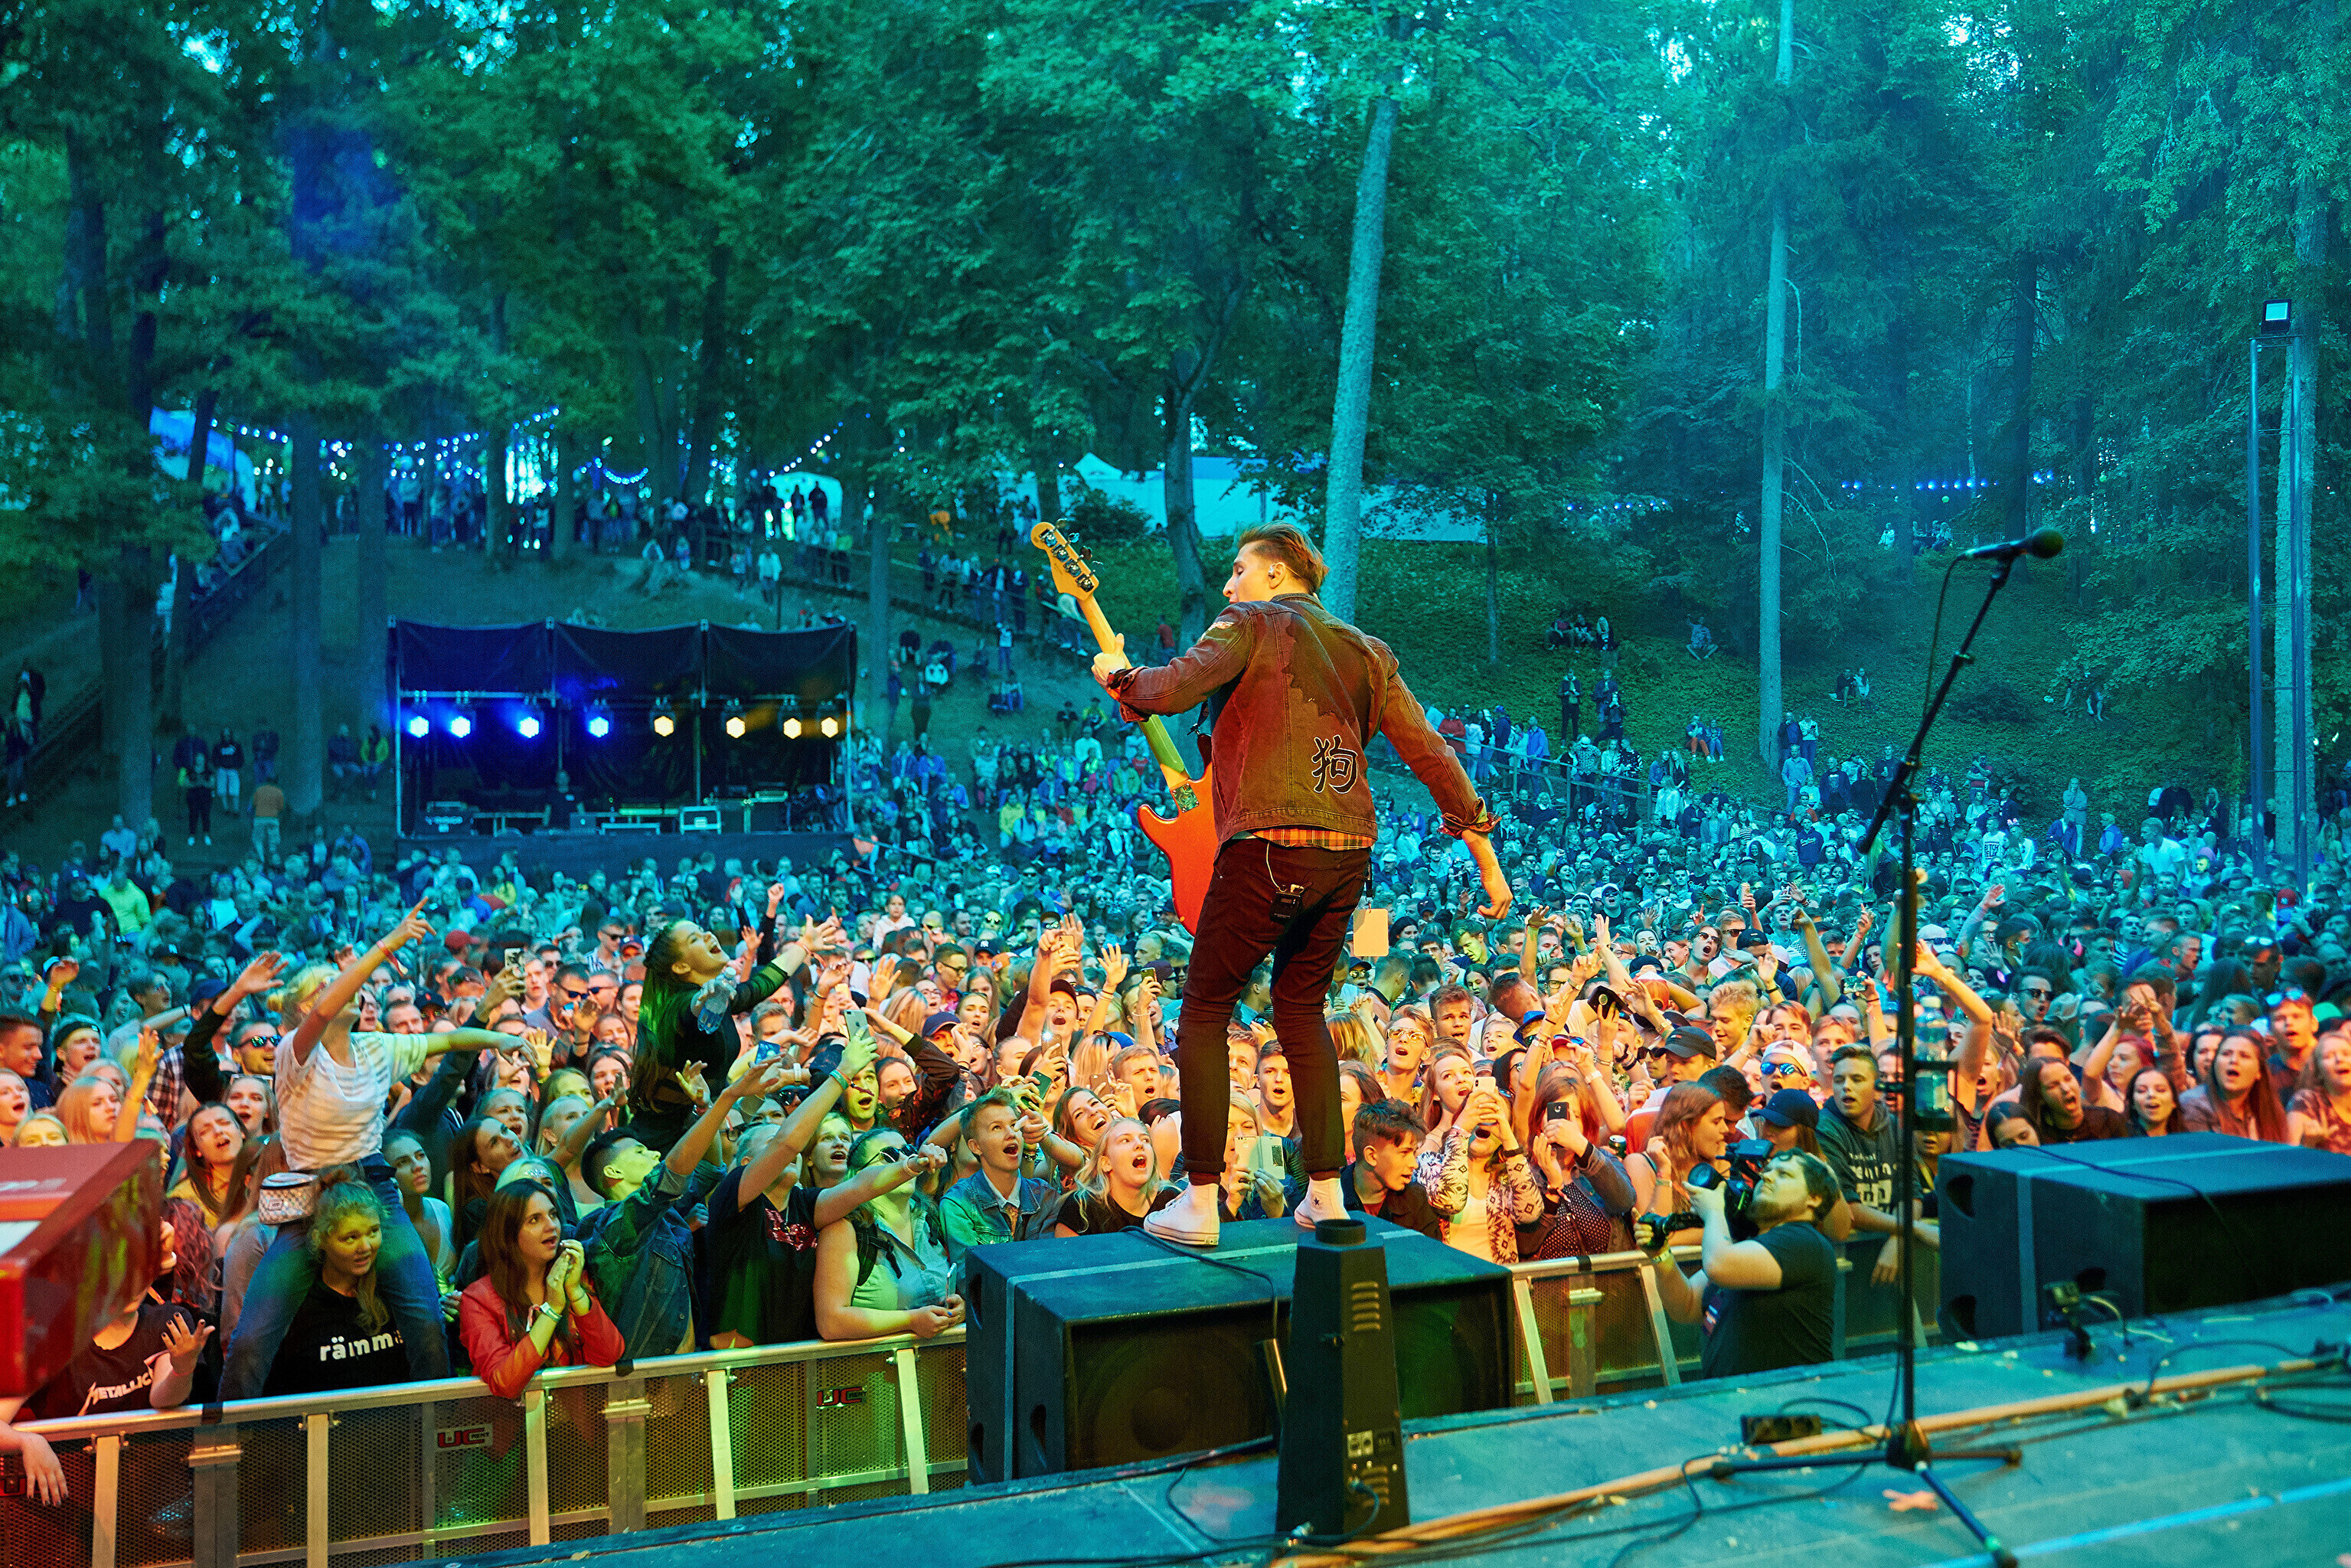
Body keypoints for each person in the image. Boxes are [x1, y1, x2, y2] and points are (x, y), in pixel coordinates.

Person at [1089, 523, 1512, 1246]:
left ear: (1277, 574)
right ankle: (1325, 1195)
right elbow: (1429, 751)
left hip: (1266, 844)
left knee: (1203, 1011)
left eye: (1238, 569)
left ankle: (1199, 1200)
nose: (1228, 584)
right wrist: (1483, 848)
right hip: (1345, 854)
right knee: (1301, 1013)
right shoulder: (1369, 652)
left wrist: (1119, 677)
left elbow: (1174, 686)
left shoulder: (1251, 621)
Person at [1649, 1150, 1852, 1378]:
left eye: (1784, 1174)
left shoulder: (1806, 1242)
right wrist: (1661, 1255)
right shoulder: (1748, 1244)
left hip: (1787, 1398)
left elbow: (1718, 1265)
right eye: (1767, 1171)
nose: (1767, 1177)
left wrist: (1714, 1211)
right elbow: (1685, 1306)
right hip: (1732, 1397)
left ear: (1814, 1198)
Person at [459, 1182, 625, 1400]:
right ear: (508, 1233)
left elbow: (609, 1355)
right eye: (534, 1220)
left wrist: (575, 1292)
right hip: (509, 1418)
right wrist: (553, 1311)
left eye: (553, 1214)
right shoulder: (478, 1299)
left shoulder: (571, 1276)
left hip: (576, 1417)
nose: (551, 1226)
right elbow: (504, 1382)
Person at [258, 1171, 410, 1396]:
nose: (366, 1247)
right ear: (319, 1239)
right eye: (351, 1237)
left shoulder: (397, 1291)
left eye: (373, 1232)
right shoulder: (300, 1309)